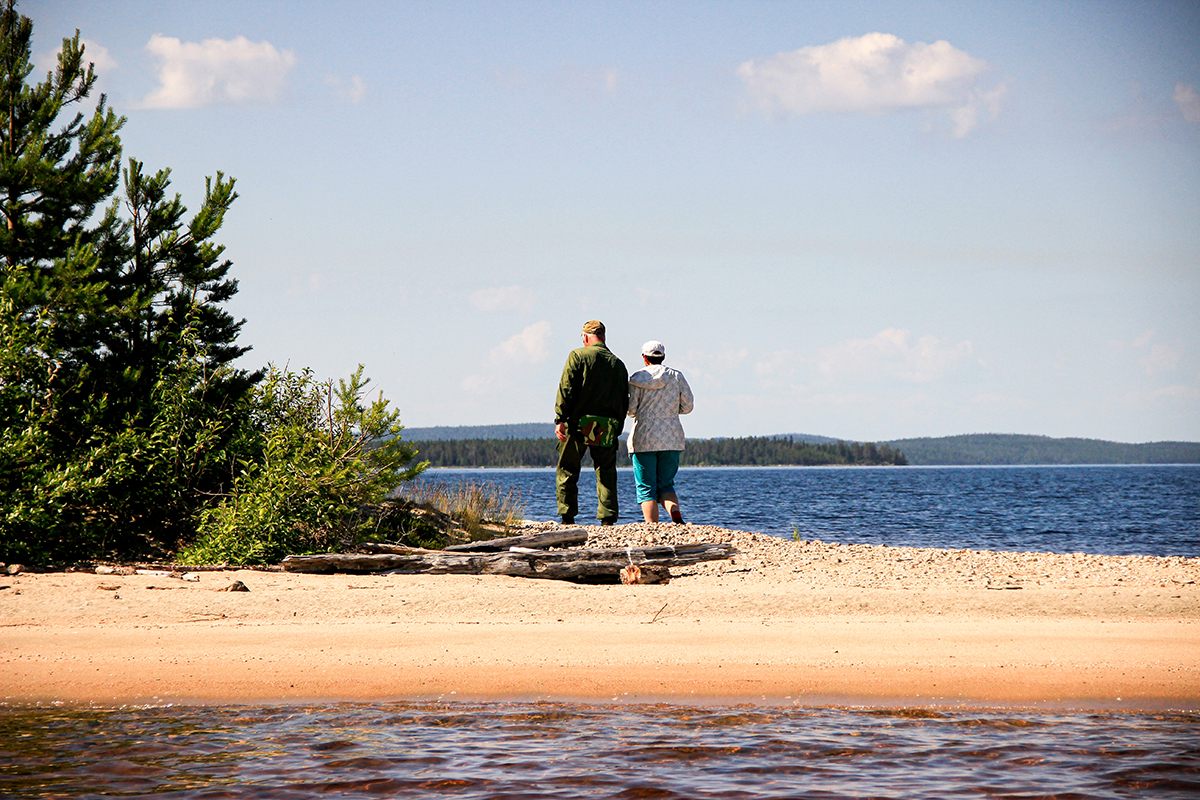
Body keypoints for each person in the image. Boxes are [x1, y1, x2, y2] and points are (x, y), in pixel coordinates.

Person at [554, 320, 629, 525]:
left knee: (568, 470)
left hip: (577, 424)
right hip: (606, 426)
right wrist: (618, 427)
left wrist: (560, 418)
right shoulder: (618, 364)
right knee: (605, 472)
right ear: (604, 337)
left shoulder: (577, 356)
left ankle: (567, 517)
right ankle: (607, 518)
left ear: (586, 337)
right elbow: (624, 400)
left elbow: (566, 389)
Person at [626, 339, 694, 524]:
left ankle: (652, 527)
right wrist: (671, 411)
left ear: (644, 358)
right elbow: (688, 406)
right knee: (666, 485)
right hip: (671, 437)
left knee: (646, 487)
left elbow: (631, 410)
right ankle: (676, 515)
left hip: (643, 438)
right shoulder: (677, 376)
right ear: (663, 357)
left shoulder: (636, 379)